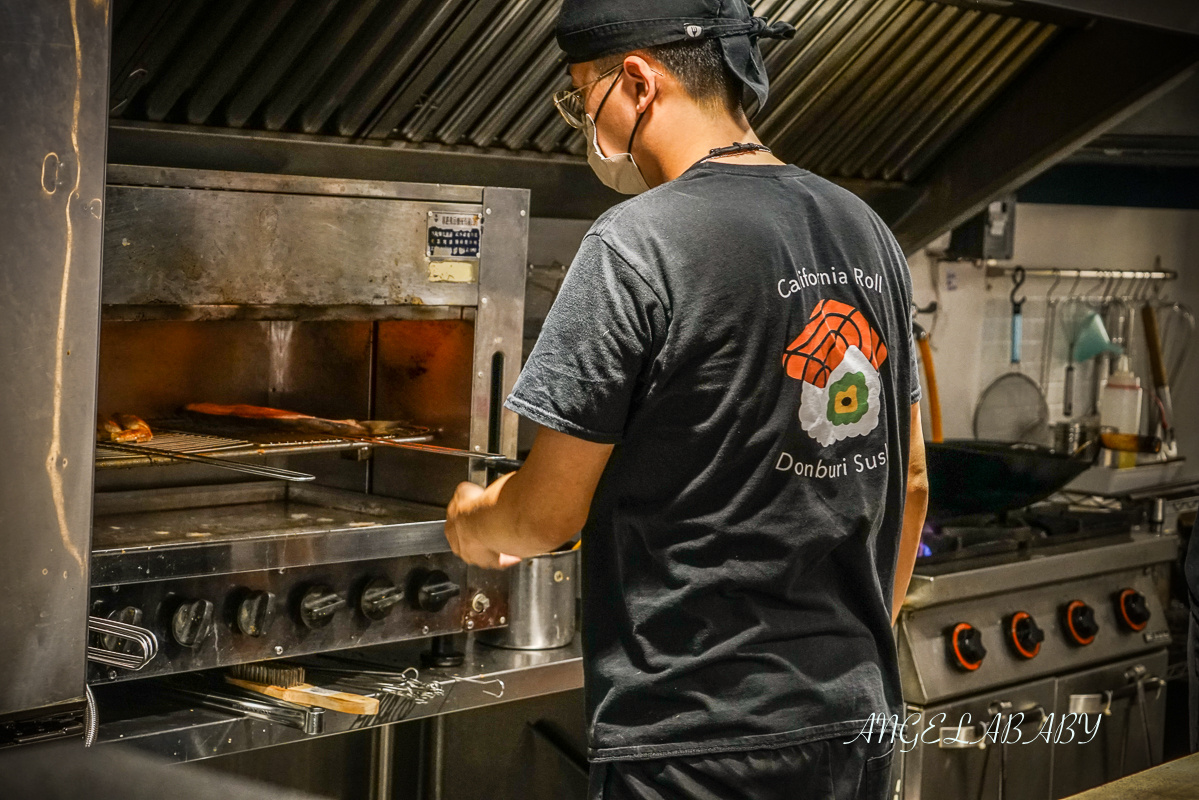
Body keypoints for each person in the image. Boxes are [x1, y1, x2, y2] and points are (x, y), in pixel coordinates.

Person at [444, 1, 929, 797]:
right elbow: (909, 484)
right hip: (856, 721)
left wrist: (474, 521)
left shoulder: (635, 243)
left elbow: (546, 516)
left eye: (581, 96)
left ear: (636, 80)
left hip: (695, 733)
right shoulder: (865, 231)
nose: (584, 122)